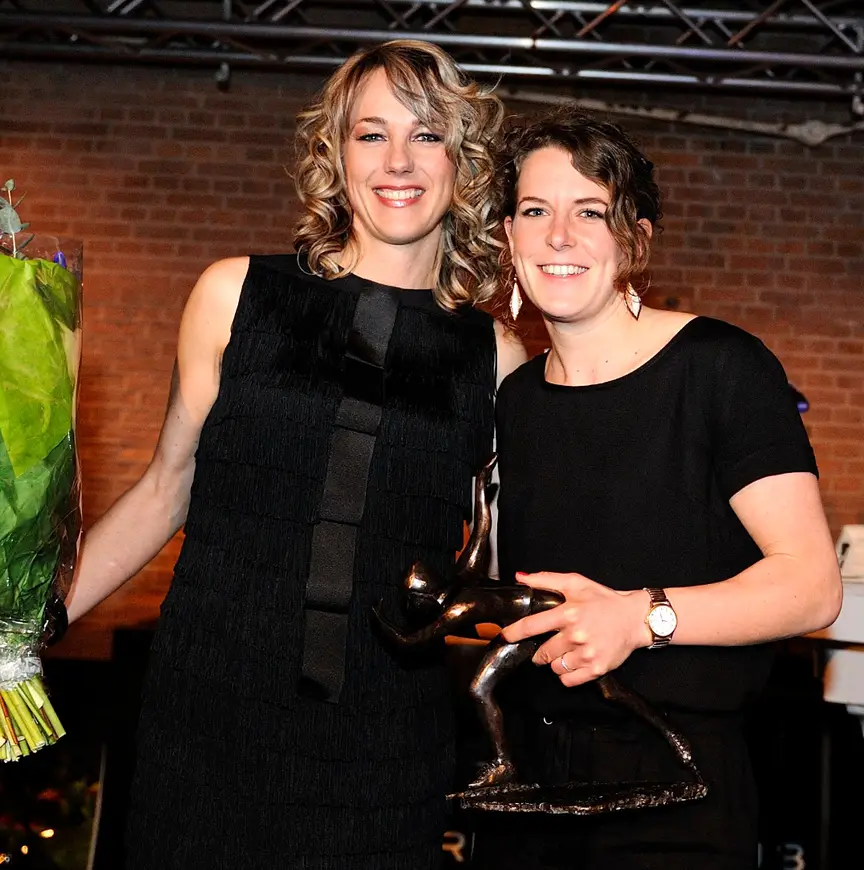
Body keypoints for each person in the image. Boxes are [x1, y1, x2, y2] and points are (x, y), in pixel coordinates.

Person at [64, 40, 526, 870]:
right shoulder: (234, 295)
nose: (398, 160)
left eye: (426, 135)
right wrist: (23, 634)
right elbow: (164, 492)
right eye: (371, 134)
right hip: (208, 718)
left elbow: (508, 559)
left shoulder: (495, 356)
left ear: (463, 161)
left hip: (386, 744)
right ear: (335, 154)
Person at [473, 111, 841, 869]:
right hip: (527, 791)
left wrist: (639, 617)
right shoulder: (516, 401)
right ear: (508, 236)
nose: (558, 236)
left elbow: (811, 586)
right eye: (535, 211)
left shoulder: (720, 368)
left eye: (590, 212)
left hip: (675, 787)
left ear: (635, 241)